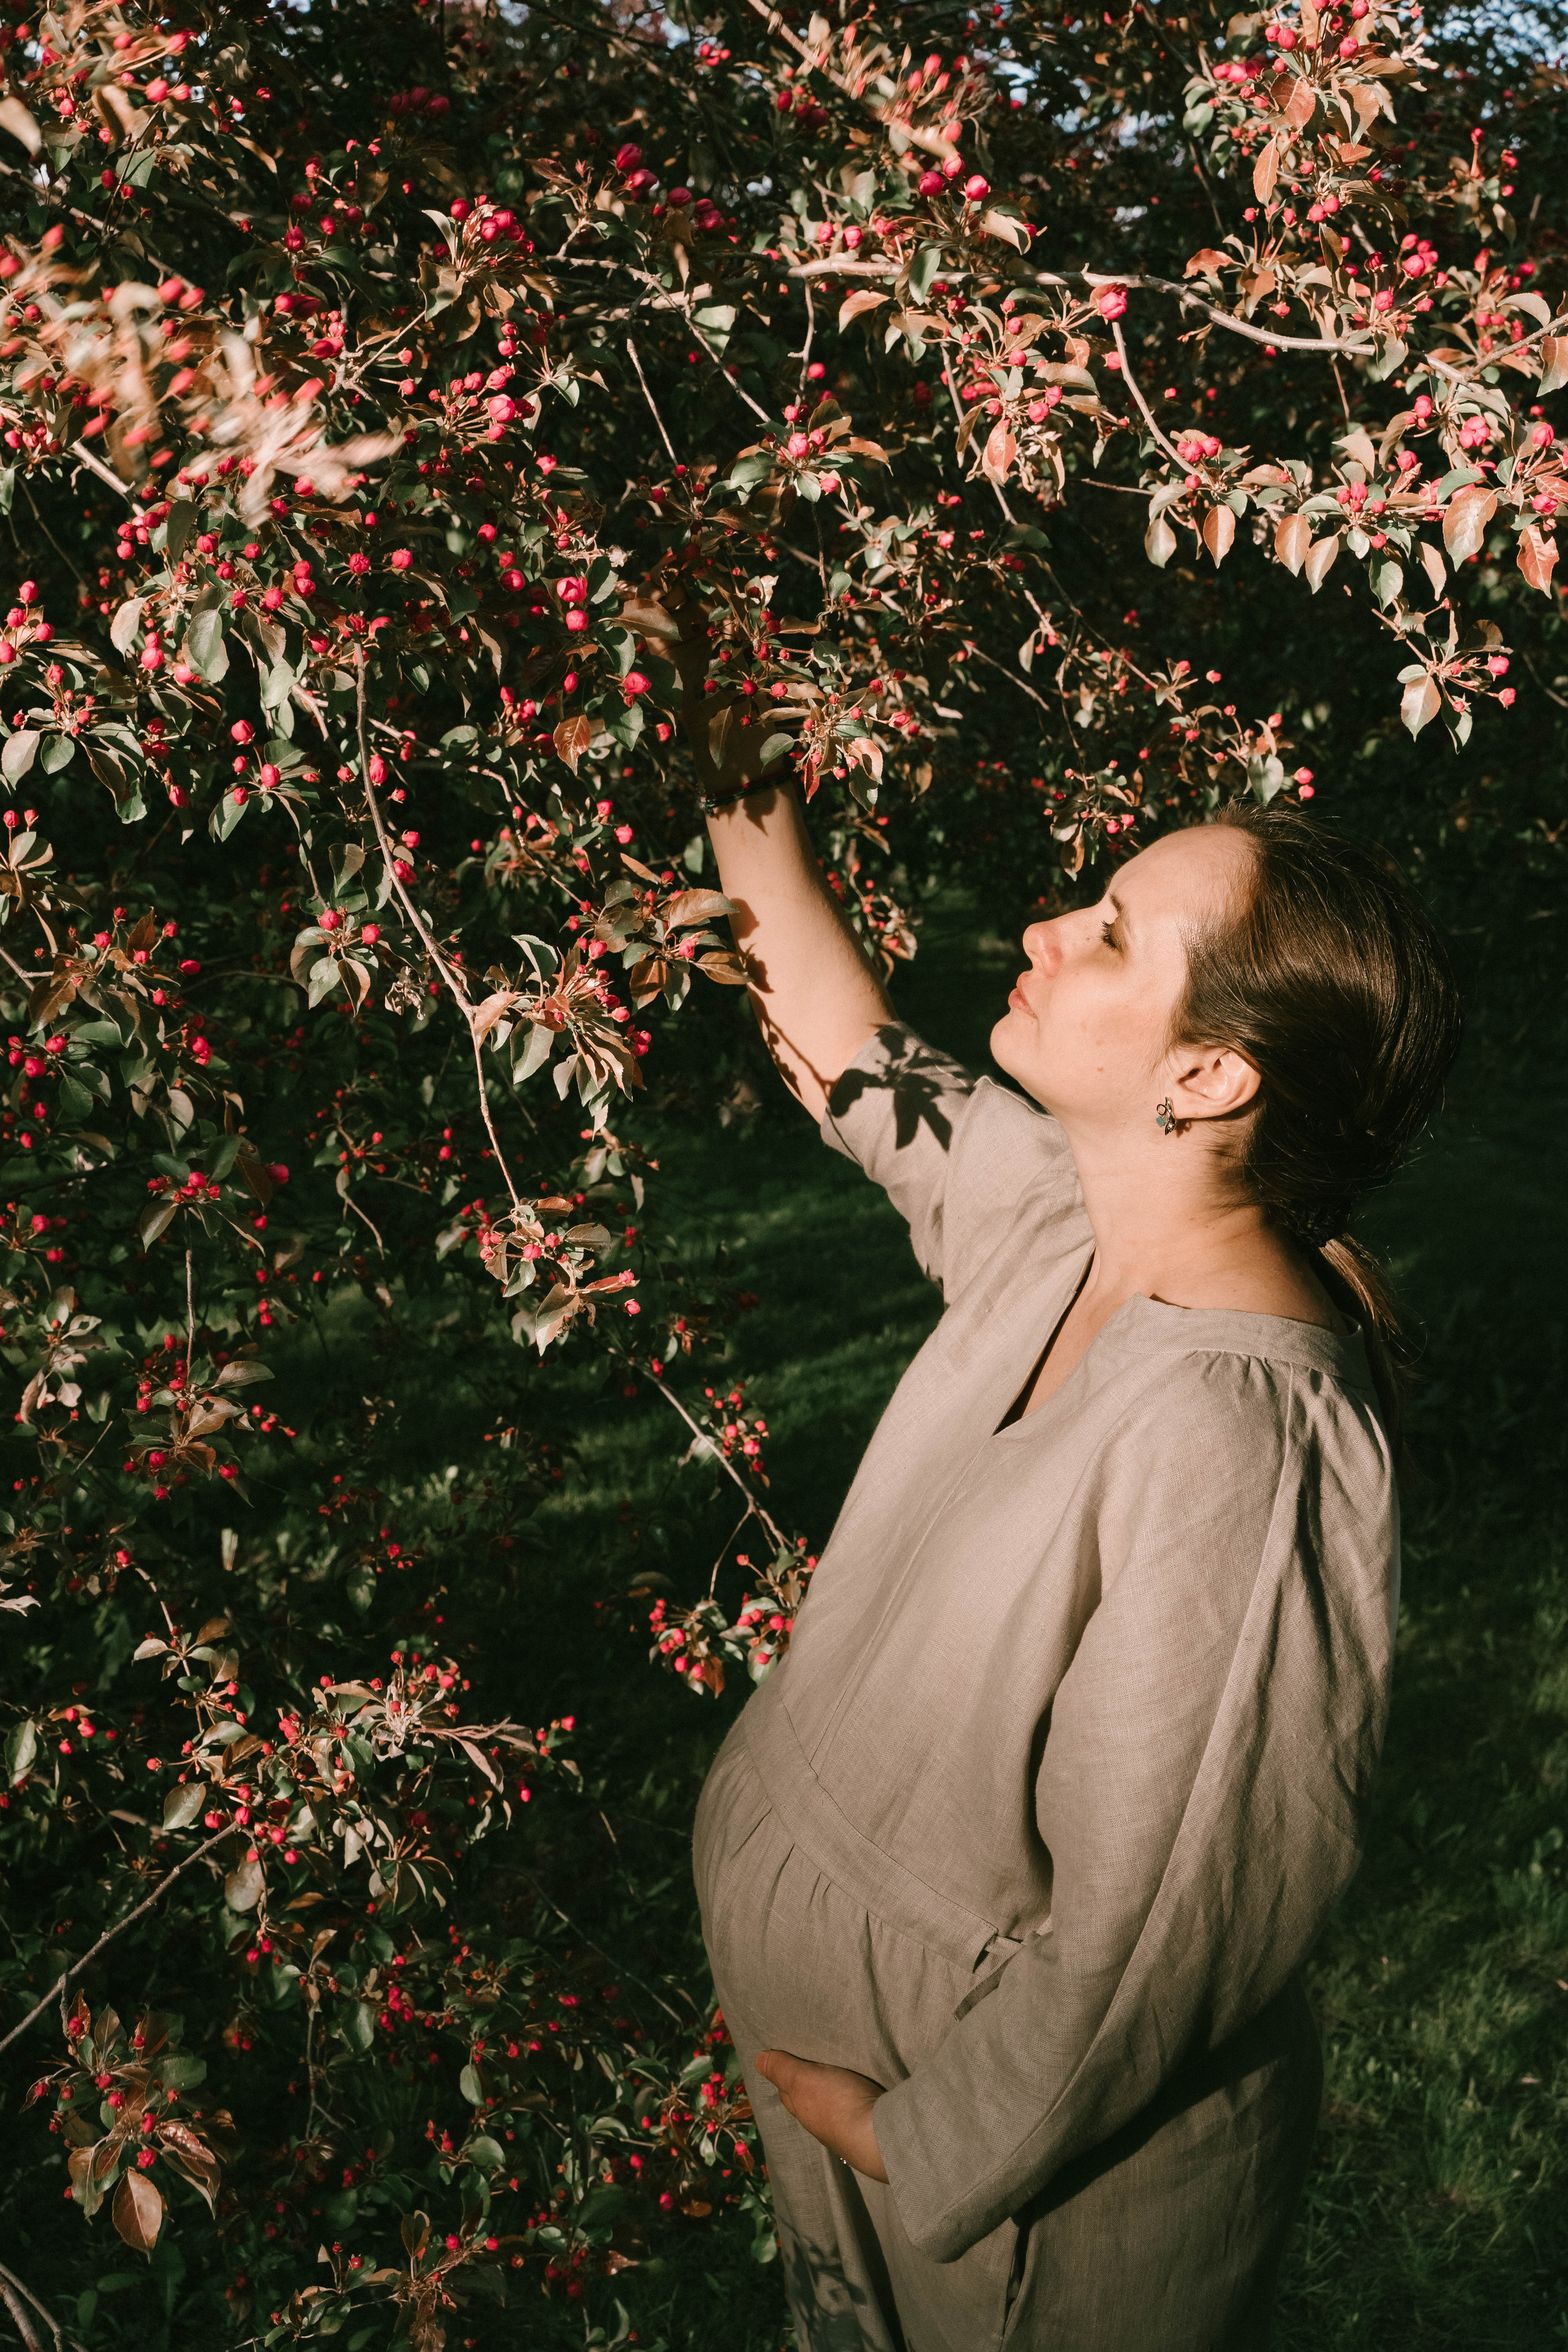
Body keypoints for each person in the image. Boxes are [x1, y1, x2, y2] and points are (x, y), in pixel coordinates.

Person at [635, 584, 1463, 2350]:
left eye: (1108, 935)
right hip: (871, 2119)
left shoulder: (1236, 1441)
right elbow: (849, 1047)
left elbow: (1169, 1924)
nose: (1044, 927)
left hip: (1028, 2207)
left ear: (1208, 1072)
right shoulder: (1064, 1225)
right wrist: (711, 668)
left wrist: (922, 2141)